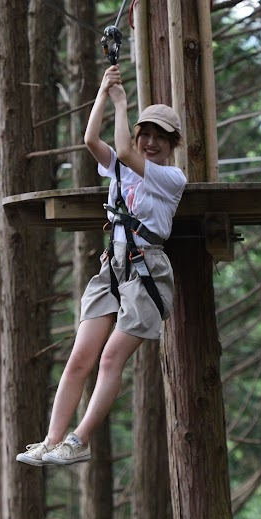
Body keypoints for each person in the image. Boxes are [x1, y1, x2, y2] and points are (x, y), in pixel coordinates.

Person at [17, 64, 187, 466]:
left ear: (171, 145)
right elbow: (91, 139)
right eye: (145, 134)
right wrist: (102, 93)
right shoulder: (119, 169)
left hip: (147, 273)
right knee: (80, 358)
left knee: (110, 359)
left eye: (158, 138)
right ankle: (52, 439)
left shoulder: (171, 178)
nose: (148, 143)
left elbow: (124, 149)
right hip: (113, 269)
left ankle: (80, 440)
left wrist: (123, 103)